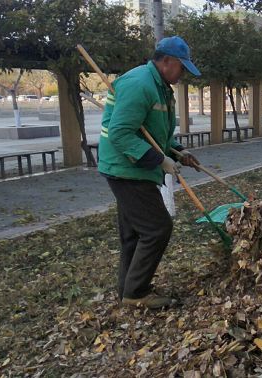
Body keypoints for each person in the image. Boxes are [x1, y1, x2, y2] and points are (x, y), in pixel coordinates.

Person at [97, 36, 201, 309]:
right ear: (166, 61)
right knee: (157, 228)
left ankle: (128, 290)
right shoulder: (140, 84)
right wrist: (159, 161)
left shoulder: (160, 86)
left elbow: (155, 133)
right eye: (181, 67)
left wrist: (178, 152)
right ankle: (137, 293)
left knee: (134, 233)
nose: (183, 74)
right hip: (126, 169)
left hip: (131, 168)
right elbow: (120, 133)